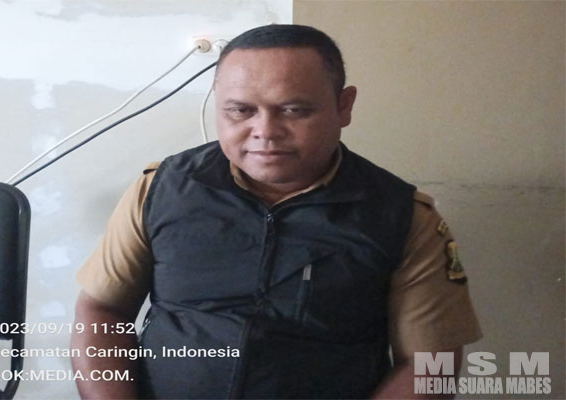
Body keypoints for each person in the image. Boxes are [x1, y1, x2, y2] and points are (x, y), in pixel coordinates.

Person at [71, 24, 482, 399]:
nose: (265, 131)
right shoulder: (162, 190)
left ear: (343, 106)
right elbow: (102, 311)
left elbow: (431, 364)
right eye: (240, 111)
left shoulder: (401, 217)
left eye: (293, 110)